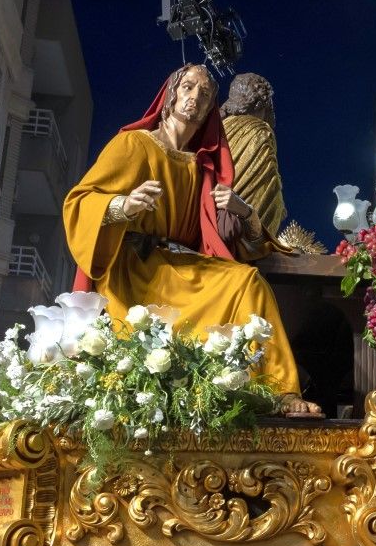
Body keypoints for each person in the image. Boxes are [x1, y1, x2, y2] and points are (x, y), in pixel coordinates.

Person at [62, 64, 318, 416]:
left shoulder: (200, 167)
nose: (194, 97)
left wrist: (246, 213)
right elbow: (80, 201)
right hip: (134, 272)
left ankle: (279, 393)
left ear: (211, 107)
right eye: (187, 88)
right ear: (170, 96)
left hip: (178, 266)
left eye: (204, 93)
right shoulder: (134, 144)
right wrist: (124, 205)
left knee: (246, 281)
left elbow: (224, 239)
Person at [218, 72, 287, 238]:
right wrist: (278, 204)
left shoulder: (220, 126)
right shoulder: (259, 130)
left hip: (211, 217)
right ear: (260, 103)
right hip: (242, 227)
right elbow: (267, 181)